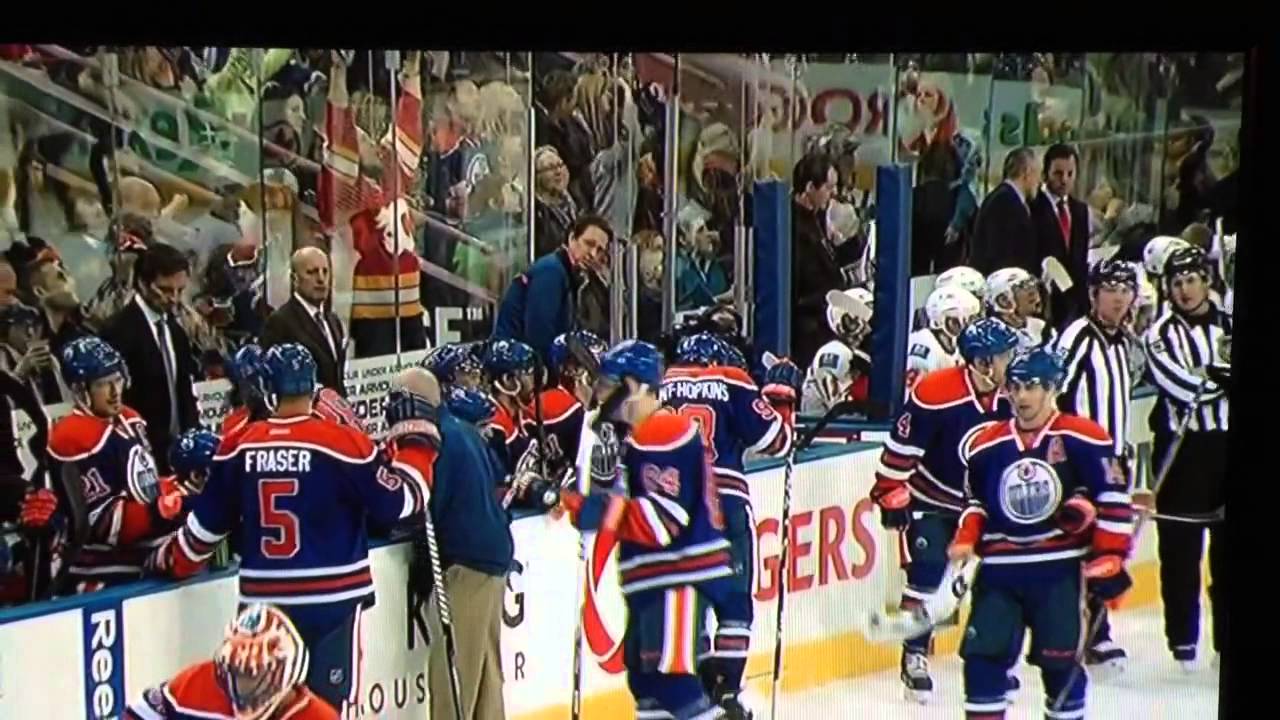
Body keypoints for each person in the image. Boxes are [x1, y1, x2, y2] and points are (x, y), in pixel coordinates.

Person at [148, 343, 434, 713]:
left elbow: (202, 532)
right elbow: (404, 502)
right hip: (332, 604)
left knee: (262, 711)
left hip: (265, 610)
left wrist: (167, 561)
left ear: (268, 390)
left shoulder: (238, 445)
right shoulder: (344, 444)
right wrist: (418, 442)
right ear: (313, 389)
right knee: (328, 710)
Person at [951, 348, 1135, 720]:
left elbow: (1113, 498)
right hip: (1000, 571)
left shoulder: (1084, 436)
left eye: (1032, 387)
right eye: (1015, 387)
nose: (1021, 397)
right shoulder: (986, 445)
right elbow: (976, 503)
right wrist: (967, 536)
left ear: (1053, 388)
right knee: (982, 661)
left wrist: (1109, 555)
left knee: (1060, 665)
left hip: (1059, 570)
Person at [558, 340, 730, 720]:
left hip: (674, 584)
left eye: (606, 383)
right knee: (648, 689)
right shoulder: (641, 436)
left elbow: (660, 521)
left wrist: (588, 508)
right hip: (655, 587)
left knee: (674, 687)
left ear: (634, 386)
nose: (599, 393)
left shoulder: (661, 429)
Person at [870, 318, 1018, 704]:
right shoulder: (936, 392)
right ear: (982, 362)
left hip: (986, 507)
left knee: (997, 582)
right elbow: (901, 448)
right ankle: (915, 655)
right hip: (933, 498)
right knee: (927, 574)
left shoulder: (1017, 392)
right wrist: (889, 492)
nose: (1010, 361)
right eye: (1003, 355)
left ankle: (987, 657)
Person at [660, 333, 799, 717]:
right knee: (734, 600)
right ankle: (728, 689)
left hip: (673, 507)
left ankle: (706, 686)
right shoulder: (731, 378)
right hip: (724, 502)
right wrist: (782, 395)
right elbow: (778, 441)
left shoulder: (662, 382)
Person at [394, 366, 515, 720]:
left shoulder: (437, 440)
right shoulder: (461, 430)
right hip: (492, 558)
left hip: (467, 564)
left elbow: (419, 505)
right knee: (485, 670)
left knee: (454, 671)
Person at [36, 337, 189, 592]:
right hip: (95, 569)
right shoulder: (73, 436)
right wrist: (169, 506)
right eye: (103, 384)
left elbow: (144, 487)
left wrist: (175, 489)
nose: (115, 391)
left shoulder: (130, 419)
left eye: (117, 379)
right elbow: (106, 525)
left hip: (138, 553)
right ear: (80, 390)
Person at [1141, 246, 1229, 669]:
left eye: (1192, 279)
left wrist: (1211, 375)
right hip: (1183, 452)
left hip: (1226, 445)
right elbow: (1183, 387)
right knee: (1180, 549)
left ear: (1206, 281)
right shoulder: (1159, 333)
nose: (1185, 289)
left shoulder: (1229, 323)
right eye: (1177, 283)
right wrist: (1218, 378)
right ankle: (1183, 642)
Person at [1053, 258, 1141, 671]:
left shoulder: (1123, 341)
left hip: (1113, 462)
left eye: (1126, 290)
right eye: (1111, 289)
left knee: (1107, 548)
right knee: (1077, 548)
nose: (1119, 298)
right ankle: (1075, 633)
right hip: (1080, 462)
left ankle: (1097, 631)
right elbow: (1052, 395)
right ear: (1094, 294)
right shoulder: (1077, 337)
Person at [318, 51, 426, 359]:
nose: (376, 145)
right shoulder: (348, 189)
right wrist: (338, 74)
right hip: (370, 312)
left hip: (409, 304)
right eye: (365, 141)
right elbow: (339, 130)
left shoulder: (393, 174)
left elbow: (409, 123)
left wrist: (412, 74)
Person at [125, 603, 339, 720]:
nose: (240, 685)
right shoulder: (197, 683)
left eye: (252, 674)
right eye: (235, 671)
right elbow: (140, 713)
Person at [100, 243, 199, 474]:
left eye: (180, 290)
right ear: (142, 284)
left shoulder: (175, 329)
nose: (174, 299)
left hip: (178, 454)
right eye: (164, 290)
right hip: (138, 454)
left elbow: (184, 389)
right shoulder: (118, 330)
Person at [493, 213, 610, 363]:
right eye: (589, 243)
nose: (593, 254)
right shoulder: (551, 271)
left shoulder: (568, 273)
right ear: (572, 238)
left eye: (600, 250)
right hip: (515, 364)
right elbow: (539, 334)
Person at [260, 247, 348, 397]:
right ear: (295, 279)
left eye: (325, 271)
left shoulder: (333, 321)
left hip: (334, 413)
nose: (321, 279)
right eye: (312, 272)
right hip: (305, 414)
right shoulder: (280, 321)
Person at [790, 153, 846, 367]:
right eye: (829, 188)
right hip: (808, 326)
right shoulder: (794, 227)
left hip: (826, 318)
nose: (834, 194)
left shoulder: (818, 221)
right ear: (810, 187)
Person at [1032, 144, 1090, 328]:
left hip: (1074, 304)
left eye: (1070, 174)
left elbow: (1081, 257)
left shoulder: (1080, 210)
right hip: (1044, 301)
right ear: (1045, 173)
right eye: (1058, 173)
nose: (1064, 180)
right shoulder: (1033, 207)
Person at [970, 147, 1041, 277]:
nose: (1039, 181)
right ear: (1026, 172)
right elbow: (1001, 254)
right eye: (1037, 174)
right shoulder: (1004, 202)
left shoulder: (1008, 199)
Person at [802, 288, 874, 414]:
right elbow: (842, 410)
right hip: (825, 431)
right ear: (850, 322)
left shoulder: (863, 356)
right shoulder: (834, 352)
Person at [905, 286, 982, 393]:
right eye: (968, 319)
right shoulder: (923, 345)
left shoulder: (957, 343)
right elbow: (916, 394)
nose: (971, 324)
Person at [0, 302, 66, 406]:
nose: (30, 333)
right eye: (23, 326)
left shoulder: (45, 357)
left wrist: (55, 373)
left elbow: (66, 403)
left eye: (34, 327)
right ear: (8, 328)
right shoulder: (3, 357)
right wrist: (20, 374)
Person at [26, 251, 90, 356]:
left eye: (68, 275)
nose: (70, 282)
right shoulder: (37, 346)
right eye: (61, 277)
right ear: (40, 292)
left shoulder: (92, 324)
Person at [984, 267, 1054, 351]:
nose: (1033, 291)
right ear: (1004, 300)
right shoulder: (991, 337)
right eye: (1022, 286)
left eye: (1031, 283)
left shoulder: (1041, 328)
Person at [533, 145, 581, 259]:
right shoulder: (536, 213)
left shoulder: (577, 202)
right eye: (550, 168)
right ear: (537, 176)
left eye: (560, 165)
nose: (558, 171)